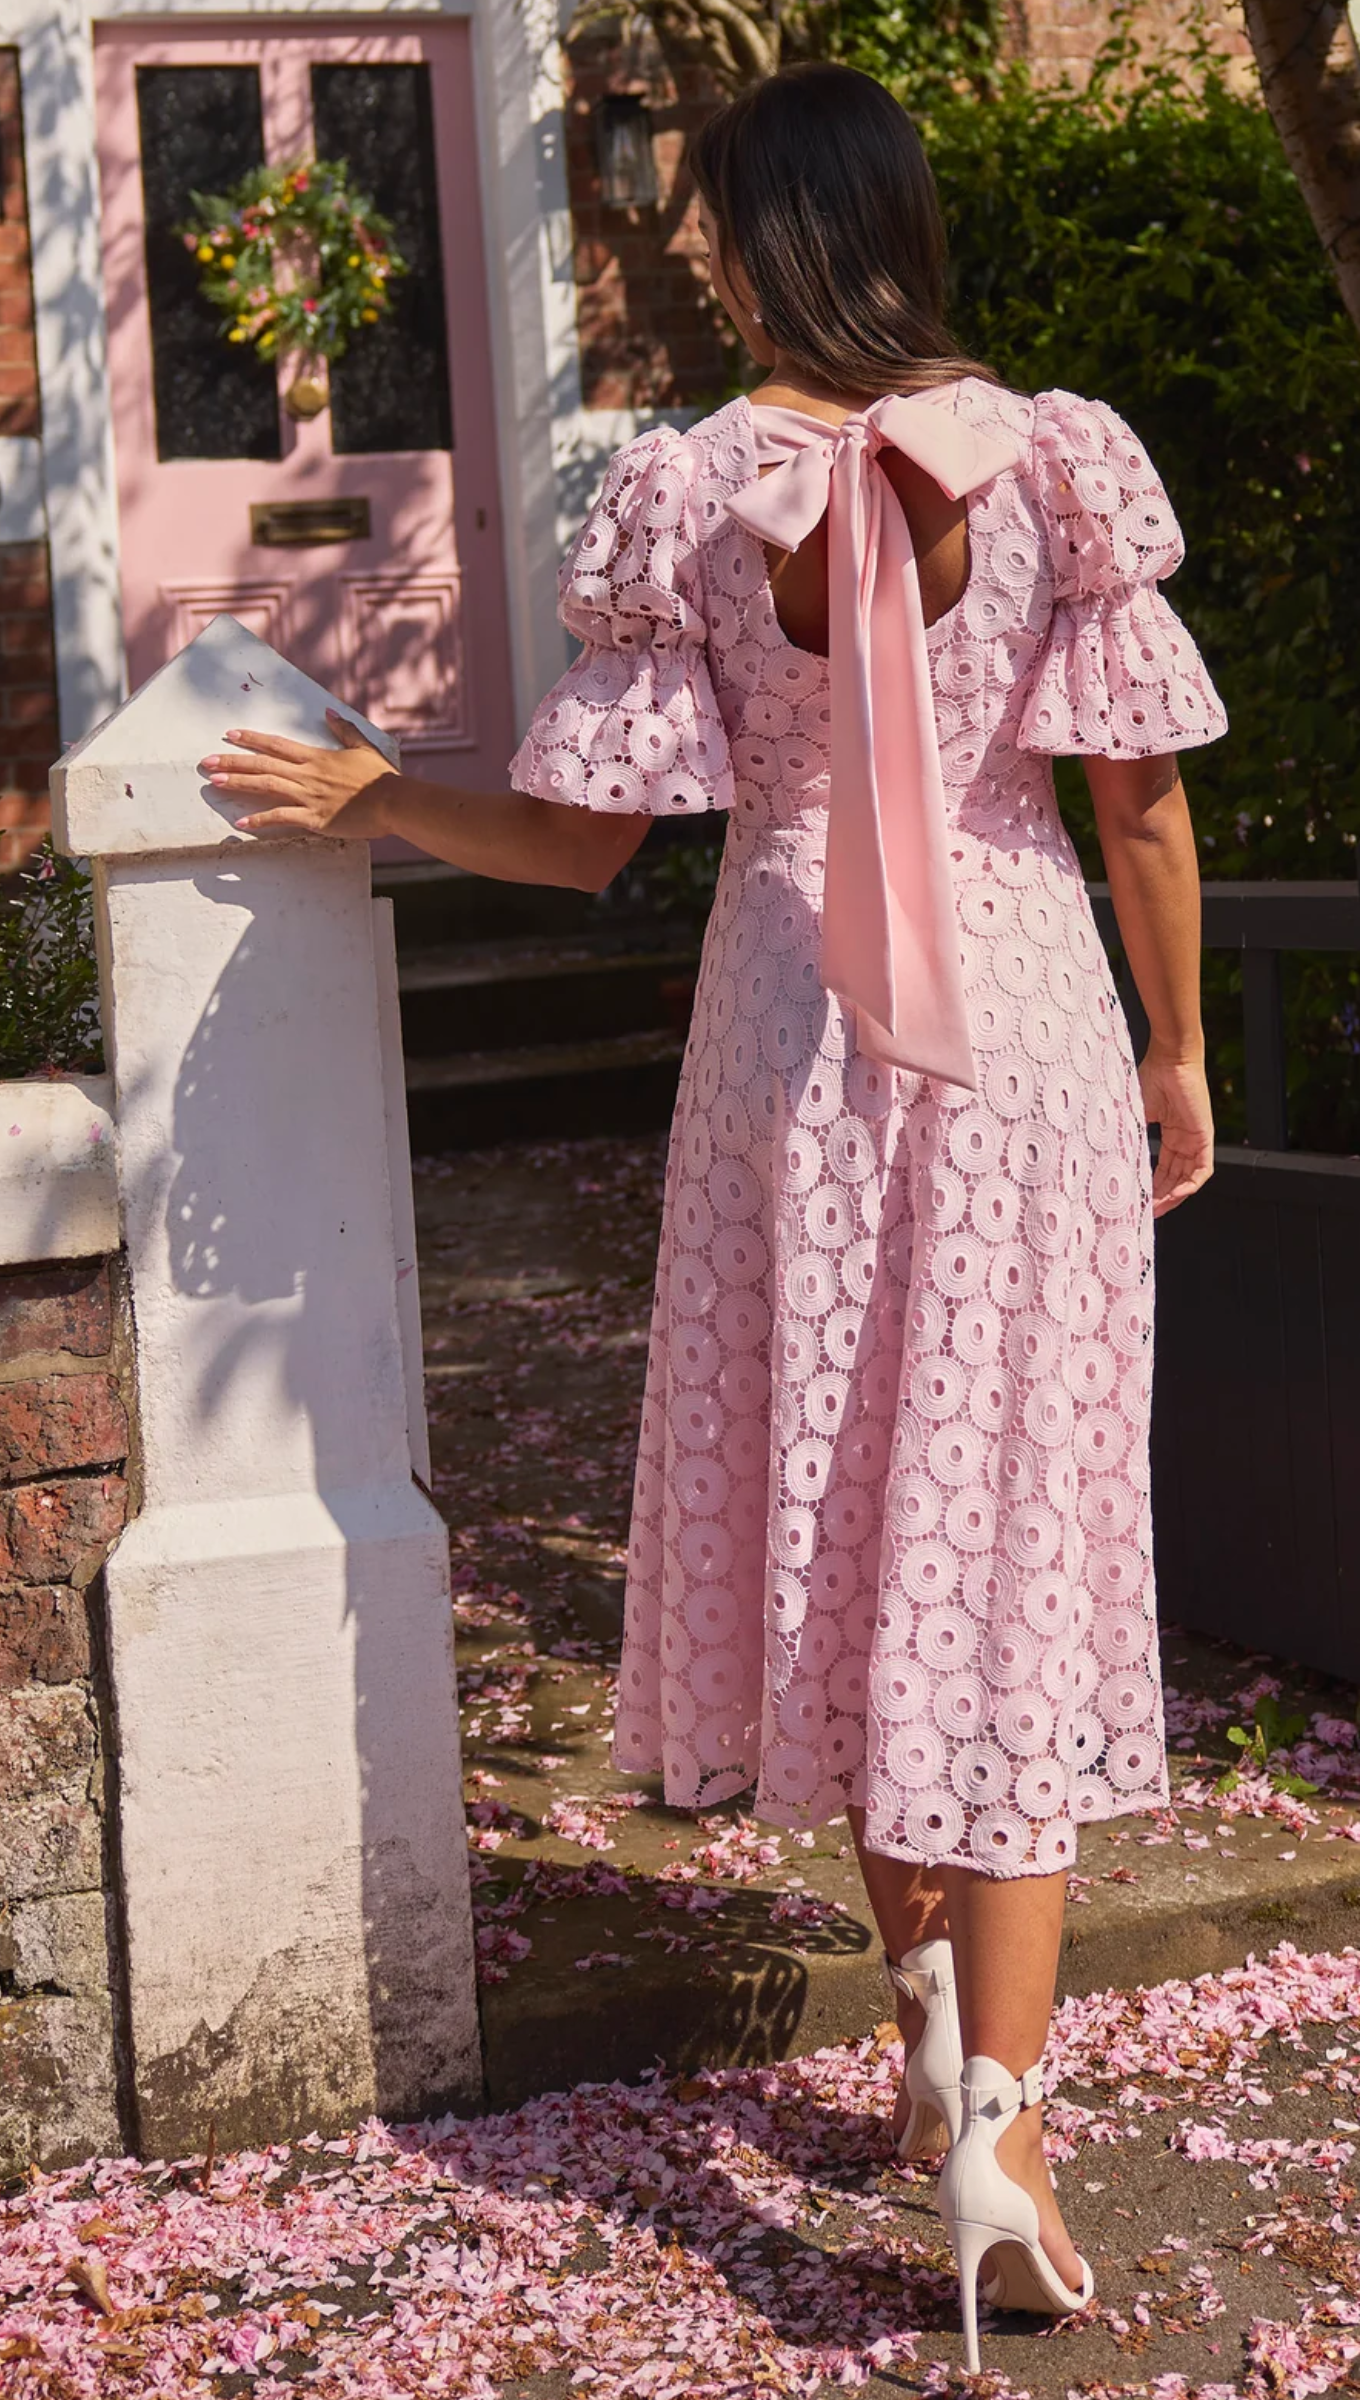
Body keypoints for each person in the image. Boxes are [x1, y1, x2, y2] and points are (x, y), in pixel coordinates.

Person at [202, 59, 1223, 2372]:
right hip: (1024, 1024)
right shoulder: (1057, 452)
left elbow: (581, 844)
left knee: (852, 1524)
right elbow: (1138, 806)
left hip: (787, 1031)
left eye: (694, 222)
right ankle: (1008, 2125)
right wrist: (1175, 1051)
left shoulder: (681, 491)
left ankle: (924, 2032)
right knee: (1003, 1547)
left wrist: (373, 789)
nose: (680, 249)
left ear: (758, 238)